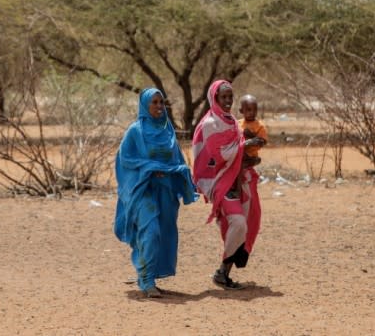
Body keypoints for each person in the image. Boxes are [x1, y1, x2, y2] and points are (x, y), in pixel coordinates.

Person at [114, 88, 196, 299]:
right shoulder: (135, 131)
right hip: (143, 190)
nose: (159, 106)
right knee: (151, 231)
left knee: (163, 232)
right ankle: (147, 280)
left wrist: (180, 173)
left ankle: (148, 275)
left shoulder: (167, 129)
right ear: (145, 106)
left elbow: (176, 158)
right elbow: (125, 160)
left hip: (165, 190)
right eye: (155, 103)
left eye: (161, 102)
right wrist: (150, 167)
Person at [192, 80, 262, 290]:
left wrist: (248, 158)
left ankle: (224, 273)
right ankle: (222, 271)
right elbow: (221, 154)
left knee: (245, 223)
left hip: (237, 179)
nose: (228, 101)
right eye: (223, 97)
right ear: (215, 98)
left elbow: (235, 151)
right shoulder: (210, 124)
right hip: (218, 182)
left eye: (230, 96)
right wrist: (246, 146)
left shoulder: (231, 120)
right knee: (238, 223)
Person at [239, 94, 268, 169]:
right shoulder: (237, 124)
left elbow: (262, 141)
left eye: (255, 109)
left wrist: (251, 137)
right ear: (241, 111)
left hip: (251, 155)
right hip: (238, 152)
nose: (252, 112)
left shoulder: (260, 126)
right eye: (249, 110)